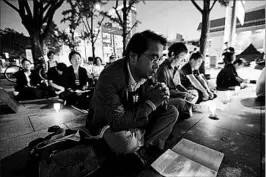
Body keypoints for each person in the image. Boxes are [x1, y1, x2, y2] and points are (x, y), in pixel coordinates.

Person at [86, 30, 178, 166]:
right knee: (124, 141)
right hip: (109, 123)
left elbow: (156, 104)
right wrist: (152, 103)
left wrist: (162, 96)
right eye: (153, 58)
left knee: (172, 112)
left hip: (134, 116)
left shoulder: (149, 72)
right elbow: (117, 121)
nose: (157, 65)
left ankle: (141, 146)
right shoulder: (110, 76)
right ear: (133, 57)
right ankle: (137, 145)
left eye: (159, 59)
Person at [156, 42, 199, 119]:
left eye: (184, 59)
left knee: (194, 92)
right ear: (173, 54)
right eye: (181, 57)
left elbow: (178, 85)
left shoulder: (176, 69)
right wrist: (183, 94)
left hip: (177, 94)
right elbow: (164, 91)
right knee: (181, 102)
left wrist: (186, 92)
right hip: (167, 98)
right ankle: (187, 108)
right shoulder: (162, 69)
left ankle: (187, 107)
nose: (182, 61)